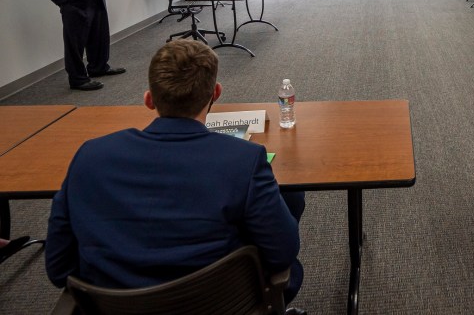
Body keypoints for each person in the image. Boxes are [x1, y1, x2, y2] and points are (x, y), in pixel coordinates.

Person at [45, 40, 306, 307]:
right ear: (215, 93)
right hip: (222, 305)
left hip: (112, 308)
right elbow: (282, 253)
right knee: (290, 245)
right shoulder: (243, 159)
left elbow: (58, 268)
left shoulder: (89, 157)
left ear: (149, 99)